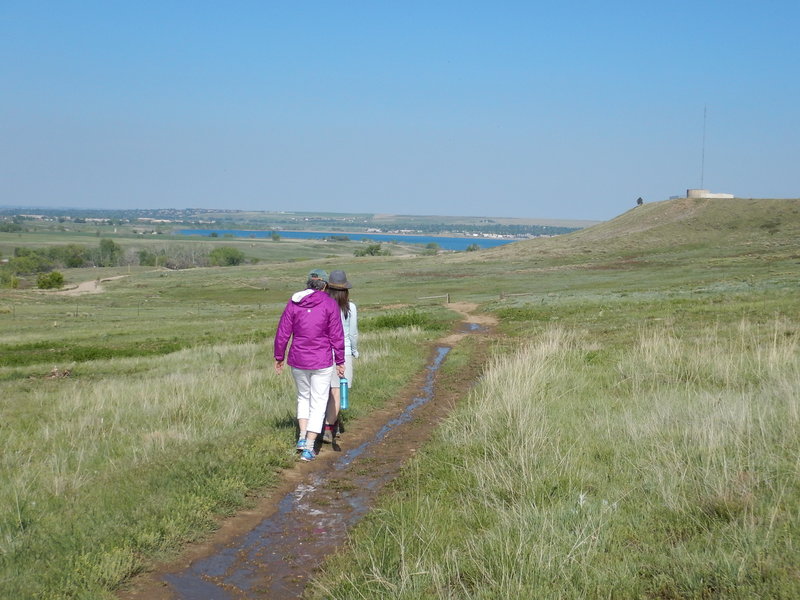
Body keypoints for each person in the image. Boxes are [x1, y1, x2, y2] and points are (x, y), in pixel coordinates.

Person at [274, 272, 345, 461]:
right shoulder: (330, 304)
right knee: (319, 401)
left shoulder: (294, 302)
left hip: (298, 359)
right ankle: (310, 447)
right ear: (324, 286)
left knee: (303, 397)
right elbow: (336, 335)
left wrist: (279, 356)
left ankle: (302, 437)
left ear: (308, 285)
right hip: (321, 360)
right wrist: (340, 361)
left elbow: (283, 331)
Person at [322, 270, 358, 444]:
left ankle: (328, 423)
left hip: (324, 352)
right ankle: (330, 427)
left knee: (326, 391)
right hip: (343, 351)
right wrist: (355, 350)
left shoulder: (323, 305)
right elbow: (353, 334)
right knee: (337, 391)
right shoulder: (350, 307)